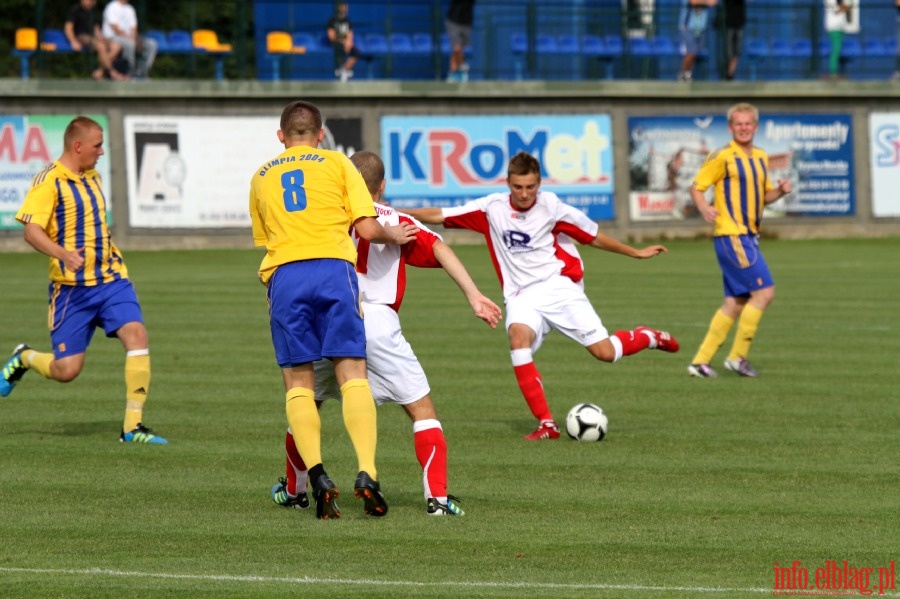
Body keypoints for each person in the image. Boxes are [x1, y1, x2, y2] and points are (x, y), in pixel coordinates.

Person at [270, 150, 502, 516]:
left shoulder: (327, 216)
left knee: (306, 402)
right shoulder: (396, 219)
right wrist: (474, 295)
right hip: (378, 323)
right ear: (381, 186)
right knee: (421, 409)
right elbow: (440, 247)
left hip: (332, 317)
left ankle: (297, 490)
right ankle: (437, 500)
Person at [400, 152, 680, 441]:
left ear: (539, 183)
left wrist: (635, 252)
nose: (524, 194)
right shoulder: (491, 208)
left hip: (559, 287)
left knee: (605, 353)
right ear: (508, 183)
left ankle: (647, 336)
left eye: (530, 187)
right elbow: (441, 215)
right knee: (517, 341)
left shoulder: (553, 207)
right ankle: (547, 424)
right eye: (518, 187)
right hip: (521, 295)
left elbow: (593, 236)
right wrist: (397, 213)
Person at [249, 101, 418, 519]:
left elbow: (266, 238)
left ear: (281, 136)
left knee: (299, 384)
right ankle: (367, 472)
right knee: (351, 373)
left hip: (285, 277)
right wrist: (392, 234)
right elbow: (365, 228)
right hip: (333, 271)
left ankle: (319, 475)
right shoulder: (339, 164)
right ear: (320, 134)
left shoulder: (261, 177)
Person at [0, 116, 166, 445]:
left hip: (111, 279)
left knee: (137, 335)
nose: (102, 151)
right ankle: (24, 358)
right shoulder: (49, 180)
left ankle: (132, 427)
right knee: (67, 371)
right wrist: (62, 253)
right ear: (77, 146)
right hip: (71, 291)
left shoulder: (92, 176)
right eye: (97, 145)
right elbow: (31, 231)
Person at [687, 103, 792, 379]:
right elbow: (697, 187)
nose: (744, 128)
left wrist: (779, 192)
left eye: (748, 124)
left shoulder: (760, 156)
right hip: (732, 235)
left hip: (747, 236)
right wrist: (704, 207)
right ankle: (737, 357)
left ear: (755, 127)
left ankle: (700, 362)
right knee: (765, 293)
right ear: (731, 128)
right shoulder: (722, 155)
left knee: (736, 301)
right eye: (739, 124)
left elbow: (763, 195)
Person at [64, 0, 127, 81]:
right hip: (81, 36)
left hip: (93, 38)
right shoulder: (75, 10)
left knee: (117, 46)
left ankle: (100, 71)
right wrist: (73, 41)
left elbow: (96, 28)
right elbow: (68, 28)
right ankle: (113, 73)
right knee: (101, 47)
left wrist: (100, 37)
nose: (90, 2)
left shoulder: (94, 11)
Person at [101, 0, 157, 78]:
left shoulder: (130, 9)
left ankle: (143, 71)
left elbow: (134, 27)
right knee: (130, 44)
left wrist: (134, 37)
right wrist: (129, 38)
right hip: (113, 37)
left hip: (129, 37)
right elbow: (115, 28)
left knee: (151, 44)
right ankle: (130, 71)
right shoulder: (111, 7)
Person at [678, 0, 718, 82]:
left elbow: (714, 2)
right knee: (691, 52)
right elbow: (693, 2)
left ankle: (687, 74)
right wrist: (707, 2)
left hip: (700, 28)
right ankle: (682, 74)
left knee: (695, 53)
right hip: (688, 27)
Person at [326, 2, 363, 83]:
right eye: (343, 7)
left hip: (346, 43)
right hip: (336, 43)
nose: (345, 9)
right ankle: (341, 70)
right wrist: (343, 42)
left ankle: (344, 69)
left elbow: (350, 35)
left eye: (346, 7)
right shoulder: (332, 21)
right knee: (339, 48)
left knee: (356, 53)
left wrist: (349, 44)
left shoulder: (348, 22)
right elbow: (331, 37)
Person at [445, 0, 476, 82]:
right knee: (457, 48)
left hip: (467, 23)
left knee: (460, 50)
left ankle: (452, 73)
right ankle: (462, 66)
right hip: (453, 21)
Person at [824, 0, 853, 78]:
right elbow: (837, 10)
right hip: (834, 28)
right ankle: (832, 72)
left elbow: (847, 9)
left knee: (838, 50)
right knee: (835, 50)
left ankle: (836, 71)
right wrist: (847, 6)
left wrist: (847, 7)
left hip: (840, 28)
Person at [722, 0, 745, 81]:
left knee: (737, 51)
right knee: (729, 51)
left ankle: (731, 74)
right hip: (730, 24)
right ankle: (728, 73)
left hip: (740, 23)